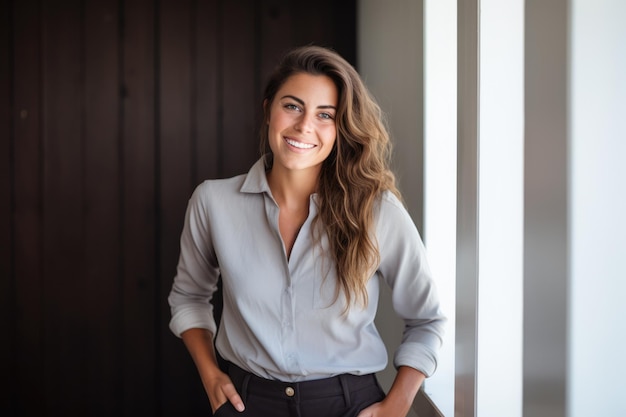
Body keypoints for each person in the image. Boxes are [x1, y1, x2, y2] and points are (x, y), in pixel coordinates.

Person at [168, 45, 446, 417]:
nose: (304, 126)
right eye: (293, 106)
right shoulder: (213, 202)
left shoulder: (376, 211)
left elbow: (427, 319)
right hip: (247, 403)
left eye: (325, 115)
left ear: (340, 127)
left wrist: (395, 406)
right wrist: (209, 374)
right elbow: (188, 297)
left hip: (350, 405)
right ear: (268, 110)